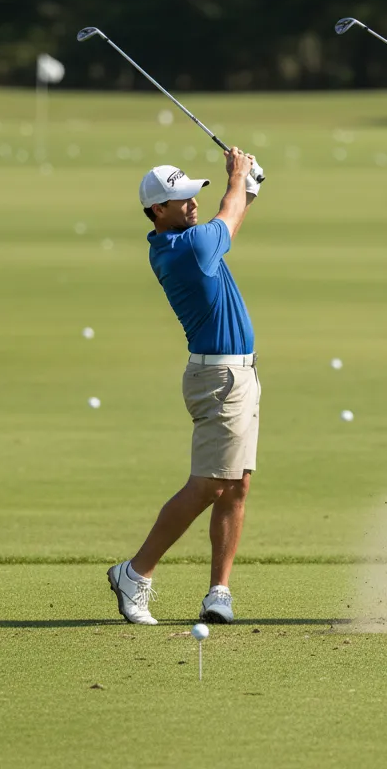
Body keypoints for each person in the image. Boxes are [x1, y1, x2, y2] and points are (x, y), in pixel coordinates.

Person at [108, 147, 263, 625]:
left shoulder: (187, 241)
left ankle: (219, 591)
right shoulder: (190, 247)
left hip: (237, 373)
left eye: (195, 194)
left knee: (236, 485)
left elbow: (233, 216)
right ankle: (135, 573)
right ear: (158, 210)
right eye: (182, 199)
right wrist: (238, 176)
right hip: (220, 378)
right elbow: (229, 214)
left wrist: (248, 186)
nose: (193, 202)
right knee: (209, 485)